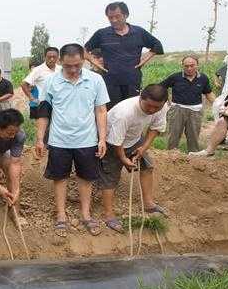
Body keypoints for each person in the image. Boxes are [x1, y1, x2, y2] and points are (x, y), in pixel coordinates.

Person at [35, 43, 109, 237]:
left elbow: (101, 110)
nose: (73, 69)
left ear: (83, 60)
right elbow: (44, 112)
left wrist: (102, 139)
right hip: (60, 140)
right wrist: (40, 139)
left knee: (86, 177)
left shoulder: (95, 80)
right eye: (68, 66)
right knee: (60, 177)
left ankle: (86, 214)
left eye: (77, 65)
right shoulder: (51, 81)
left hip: (87, 139)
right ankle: (61, 215)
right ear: (60, 61)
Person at [98, 84, 169, 232]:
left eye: (156, 108)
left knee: (147, 166)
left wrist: (144, 148)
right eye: (148, 106)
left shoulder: (161, 107)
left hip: (134, 138)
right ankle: (109, 215)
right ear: (141, 97)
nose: (152, 110)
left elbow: (156, 128)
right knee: (110, 176)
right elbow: (117, 141)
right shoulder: (125, 112)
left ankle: (149, 204)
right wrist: (124, 159)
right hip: (111, 141)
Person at [85, 2, 164, 109]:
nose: (114, 20)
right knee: (112, 112)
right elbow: (84, 50)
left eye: (117, 16)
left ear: (126, 15)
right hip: (110, 82)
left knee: (131, 111)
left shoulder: (138, 32)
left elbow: (157, 45)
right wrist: (94, 61)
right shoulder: (102, 34)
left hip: (132, 81)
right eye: (110, 17)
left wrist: (145, 58)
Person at [160, 56, 215, 152]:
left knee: (193, 136)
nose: (189, 68)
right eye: (186, 66)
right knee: (174, 135)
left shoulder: (203, 78)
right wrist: (165, 101)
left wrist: (218, 106)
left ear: (197, 65)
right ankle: (171, 156)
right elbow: (161, 87)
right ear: (182, 66)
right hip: (177, 110)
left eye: (192, 66)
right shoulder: (175, 77)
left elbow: (208, 93)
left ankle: (193, 157)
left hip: (195, 111)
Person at [21, 47, 60, 120]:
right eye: (49, 57)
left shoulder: (60, 69)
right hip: (44, 104)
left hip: (58, 104)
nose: (52, 59)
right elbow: (24, 84)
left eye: (54, 57)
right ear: (44, 57)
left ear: (58, 57)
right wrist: (32, 98)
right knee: (44, 128)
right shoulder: (38, 70)